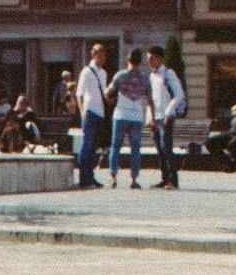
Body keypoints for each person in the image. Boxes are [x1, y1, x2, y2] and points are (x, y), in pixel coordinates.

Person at [119, 44, 184, 190]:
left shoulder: (168, 74)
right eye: (148, 59)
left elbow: (179, 94)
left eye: (152, 58)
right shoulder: (152, 76)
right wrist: (150, 118)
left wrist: (169, 113)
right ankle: (164, 178)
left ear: (160, 58)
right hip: (156, 117)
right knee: (159, 149)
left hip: (166, 116)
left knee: (166, 147)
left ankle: (173, 180)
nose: (149, 62)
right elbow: (151, 99)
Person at [71, 39, 116, 188]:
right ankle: (84, 178)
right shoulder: (86, 71)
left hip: (100, 112)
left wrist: (109, 99)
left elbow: (103, 92)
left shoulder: (103, 73)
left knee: (94, 146)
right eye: (100, 56)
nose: (103, 59)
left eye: (104, 56)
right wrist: (82, 111)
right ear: (94, 55)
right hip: (90, 110)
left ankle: (91, 176)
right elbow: (79, 93)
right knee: (87, 144)